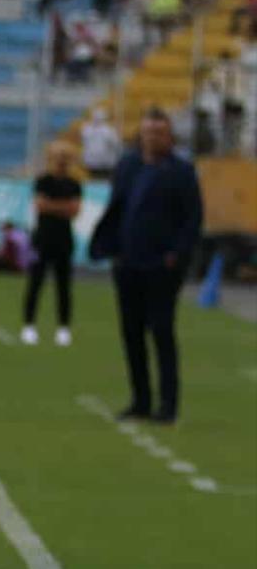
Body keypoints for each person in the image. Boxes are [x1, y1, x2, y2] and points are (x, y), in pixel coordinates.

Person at [89, 109, 203, 425]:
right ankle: (140, 400)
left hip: (162, 265)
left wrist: (176, 255)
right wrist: (110, 248)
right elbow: (117, 207)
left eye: (159, 133)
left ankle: (168, 405)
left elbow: (192, 218)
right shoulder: (128, 166)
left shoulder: (181, 171)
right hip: (128, 262)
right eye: (148, 132)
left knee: (162, 332)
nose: (153, 138)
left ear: (169, 137)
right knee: (132, 333)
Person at [22, 142, 82, 346]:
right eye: (58, 156)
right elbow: (40, 206)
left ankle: (63, 328)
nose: (61, 160)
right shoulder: (43, 181)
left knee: (64, 286)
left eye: (65, 156)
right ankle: (29, 325)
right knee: (35, 283)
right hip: (42, 240)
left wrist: (52, 206)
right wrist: (63, 207)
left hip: (64, 241)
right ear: (51, 158)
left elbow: (75, 210)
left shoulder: (74, 184)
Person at [80, 106, 121, 180]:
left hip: (95, 162)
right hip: (104, 163)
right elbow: (116, 144)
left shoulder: (87, 129)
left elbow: (84, 142)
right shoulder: (108, 130)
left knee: (95, 179)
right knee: (103, 180)